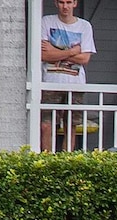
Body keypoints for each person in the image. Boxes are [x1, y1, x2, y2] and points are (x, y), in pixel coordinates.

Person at [41, 0, 96, 152]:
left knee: (71, 125)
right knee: (46, 124)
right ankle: (46, 161)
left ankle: (67, 159)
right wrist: (72, 51)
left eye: (69, 2)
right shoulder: (46, 21)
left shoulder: (84, 26)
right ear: (56, 3)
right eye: (61, 2)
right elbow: (43, 54)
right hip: (50, 82)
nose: (65, 6)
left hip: (75, 83)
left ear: (75, 4)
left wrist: (55, 51)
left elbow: (85, 59)